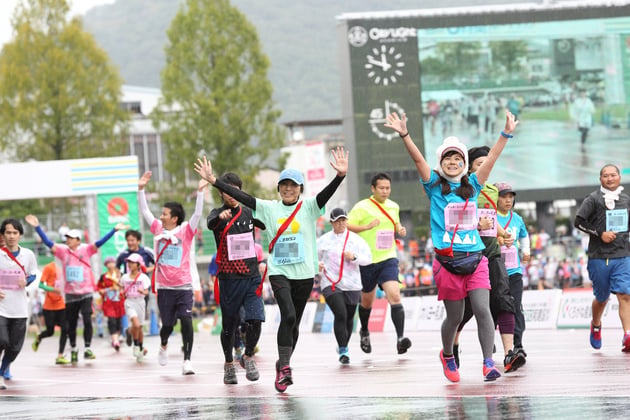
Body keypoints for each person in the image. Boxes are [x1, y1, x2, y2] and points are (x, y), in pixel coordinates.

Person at [195, 146, 348, 393]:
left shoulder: (310, 206)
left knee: (294, 324)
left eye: (294, 185)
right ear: (279, 188)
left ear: (300, 188)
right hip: (278, 271)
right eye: (284, 185)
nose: (289, 189)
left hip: (305, 273)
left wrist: (340, 176)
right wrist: (214, 181)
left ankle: (282, 364)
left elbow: (325, 195)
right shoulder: (268, 208)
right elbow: (241, 197)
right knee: (287, 315)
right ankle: (284, 368)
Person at [384, 109, 517, 382]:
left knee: (482, 309)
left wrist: (505, 133)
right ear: (441, 163)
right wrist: (405, 134)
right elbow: (418, 158)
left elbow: (491, 158)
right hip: (447, 261)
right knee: (454, 317)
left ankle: (488, 362)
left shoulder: (475, 185)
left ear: (465, 163)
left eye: (458, 158)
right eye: (448, 158)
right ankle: (447, 354)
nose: (453, 162)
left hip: (476, 259)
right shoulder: (433, 185)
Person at [451, 146, 524, 373]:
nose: (484, 167)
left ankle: (509, 353)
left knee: (504, 300)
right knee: (466, 311)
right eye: (479, 164)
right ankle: (453, 344)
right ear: (469, 166)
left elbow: (490, 218)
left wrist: (503, 234)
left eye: (487, 163)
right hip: (468, 255)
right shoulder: (461, 189)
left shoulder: (492, 190)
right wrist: (474, 226)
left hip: (492, 253)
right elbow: (452, 220)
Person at [26, 215, 124, 365]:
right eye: (67, 237)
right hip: (70, 294)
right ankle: (73, 349)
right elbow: (47, 242)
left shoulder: (86, 249)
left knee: (86, 319)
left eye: (71, 238)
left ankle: (87, 348)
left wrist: (114, 230)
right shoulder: (62, 251)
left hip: (85, 292)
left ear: (78, 240)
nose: (68, 240)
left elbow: (100, 242)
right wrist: (37, 227)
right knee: (71, 324)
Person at [137, 170, 207, 375]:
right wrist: (140, 189)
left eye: (165, 214)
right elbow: (145, 211)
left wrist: (200, 192)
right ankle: (164, 343)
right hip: (164, 288)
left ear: (174, 218)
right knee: (167, 324)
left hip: (184, 286)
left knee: (186, 321)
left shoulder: (186, 230)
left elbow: (197, 214)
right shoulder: (158, 228)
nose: (161, 216)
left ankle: (187, 360)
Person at [206, 172, 266, 385]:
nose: (232, 195)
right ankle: (229, 364)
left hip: (251, 277)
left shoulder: (249, 213)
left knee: (256, 319)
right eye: (227, 191)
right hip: (229, 280)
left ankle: (248, 356)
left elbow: (269, 222)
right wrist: (220, 219)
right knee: (229, 325)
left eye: (236, 191)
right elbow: (211, 223)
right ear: (221, 193)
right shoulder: (216, 214)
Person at [346, 172, 412, 355]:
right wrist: (366, 227)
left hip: (388, 258)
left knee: (395, 296)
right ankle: (364, 330)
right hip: (367, 260)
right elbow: (347, 226)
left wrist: (400, 229)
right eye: (381, 188)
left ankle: (400, 339)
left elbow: (395, 224)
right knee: (367, 302)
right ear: (373, 189)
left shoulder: (393, 206)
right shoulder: (362, 207)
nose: (385, 191)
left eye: (388, 188)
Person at [574, 164, 630, 352]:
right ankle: (596, 325)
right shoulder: (593, 199)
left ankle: (628, 334)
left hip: (622, 255)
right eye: (605, 176)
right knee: (602, 297)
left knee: (625, 294)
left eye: (613, 175)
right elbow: (579, 222)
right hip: (599, 257)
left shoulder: (626, 200)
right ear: (600, 179)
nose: (610, 178)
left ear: (619, 177)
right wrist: (600, 233)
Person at [317, 208, 372, 364]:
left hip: (352, 284)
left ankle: (343, 345)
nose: (341, 224)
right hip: (331, 282)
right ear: (332, 222)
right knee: (340, 314)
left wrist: (354, 257)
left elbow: (368, 259)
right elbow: (314, 257)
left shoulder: (356, 240)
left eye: (343, 220)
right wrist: (318, 265)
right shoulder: (324, 240)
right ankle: (343, 350)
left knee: (348, 318)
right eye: (337, 221)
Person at [0, 218, 38, 389]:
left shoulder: (28, 255)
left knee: (15, 347)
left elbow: (33, 274)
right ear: (3, 235)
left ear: (20, 235)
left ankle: (3, 370)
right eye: (8, 232)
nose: (11, 236)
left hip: (20, 308)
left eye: (15, 233)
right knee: (2, 341)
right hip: (1, 307)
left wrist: (27, 281)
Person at [495, 182, 530, 361]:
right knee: (494, 309)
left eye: (511, 197)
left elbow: (524, 235)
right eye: (504, 196)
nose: (508, 200)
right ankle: (490, 341)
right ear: (495, 198)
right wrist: (498, 241)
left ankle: (517, 345)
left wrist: (526, 251)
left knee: (516, 307)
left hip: (514, 272)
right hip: (494, 271)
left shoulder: (516, 218)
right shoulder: (489, 217)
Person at [32, 261, 70, 365]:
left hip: (62, 305)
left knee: (65, 329)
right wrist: (53, 289)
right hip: (49, 306)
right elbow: (40, 285)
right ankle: (39, 337)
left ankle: (60, 356)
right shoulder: (49, 267)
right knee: (50, 331)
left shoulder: (68, 267)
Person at [120, 253, 150, 362]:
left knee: (140, 327)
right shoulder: (124, 277)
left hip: (140, 302)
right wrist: (122, 292)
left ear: (138, 264)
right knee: (136, 324)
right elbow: (121, 288)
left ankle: (139, 348)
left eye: (132, 262)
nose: (130, 264)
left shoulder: (144, 278)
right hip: (130, 302)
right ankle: (136, 346)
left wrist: (143, 291)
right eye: (128, 262)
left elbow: (147, 291)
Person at [97, 257, 125, 351]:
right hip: (109, 302)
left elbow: (126, 287)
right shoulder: (103, 277)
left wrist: (120, 288)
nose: (111, 265)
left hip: (119, 302)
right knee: (111, 320)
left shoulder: (121, 275)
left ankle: (117, 336)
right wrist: (108, 289)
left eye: (112, 262)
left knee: (118, 321)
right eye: (108, 263)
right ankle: (115, 340)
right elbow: (99, 289)